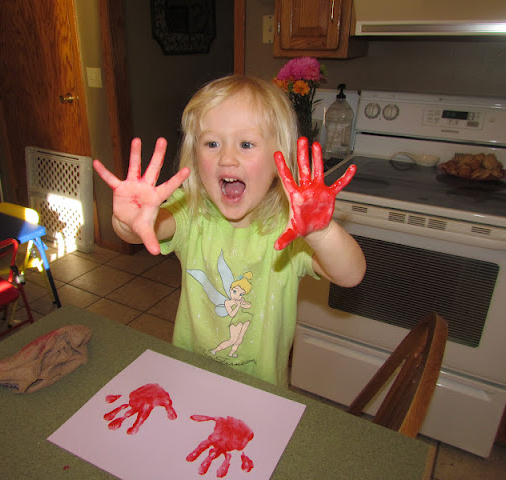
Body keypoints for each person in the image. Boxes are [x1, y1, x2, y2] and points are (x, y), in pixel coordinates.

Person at [93, 75, 366, 387]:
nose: (226, 158)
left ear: (279, 159)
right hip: (190, 374)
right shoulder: (190, 211)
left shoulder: (290, 228)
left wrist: (321, 233)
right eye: (212, 144)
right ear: (195, 156)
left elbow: (350, 275)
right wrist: (130, 221)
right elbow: (149, 228)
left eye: (246, 144)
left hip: (261, 389)